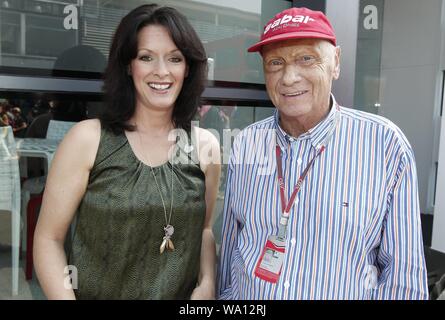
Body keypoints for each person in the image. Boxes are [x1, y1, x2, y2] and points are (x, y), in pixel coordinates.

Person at [217, 7, 428, 299]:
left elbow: (403, 279)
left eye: (306, 58)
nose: (289, 77)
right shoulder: (246, 143)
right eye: (276, 63)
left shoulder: (386, 145)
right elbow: (231, 249)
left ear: (336, 62)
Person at [34, 4, 221, 300]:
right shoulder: (88, 139)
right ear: (127, 66)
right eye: (146, 57)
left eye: (174, 58)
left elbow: (205, 230)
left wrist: (208, 282)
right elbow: (48, 239)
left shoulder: (205, 146)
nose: (162, 71)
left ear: (188, 69)